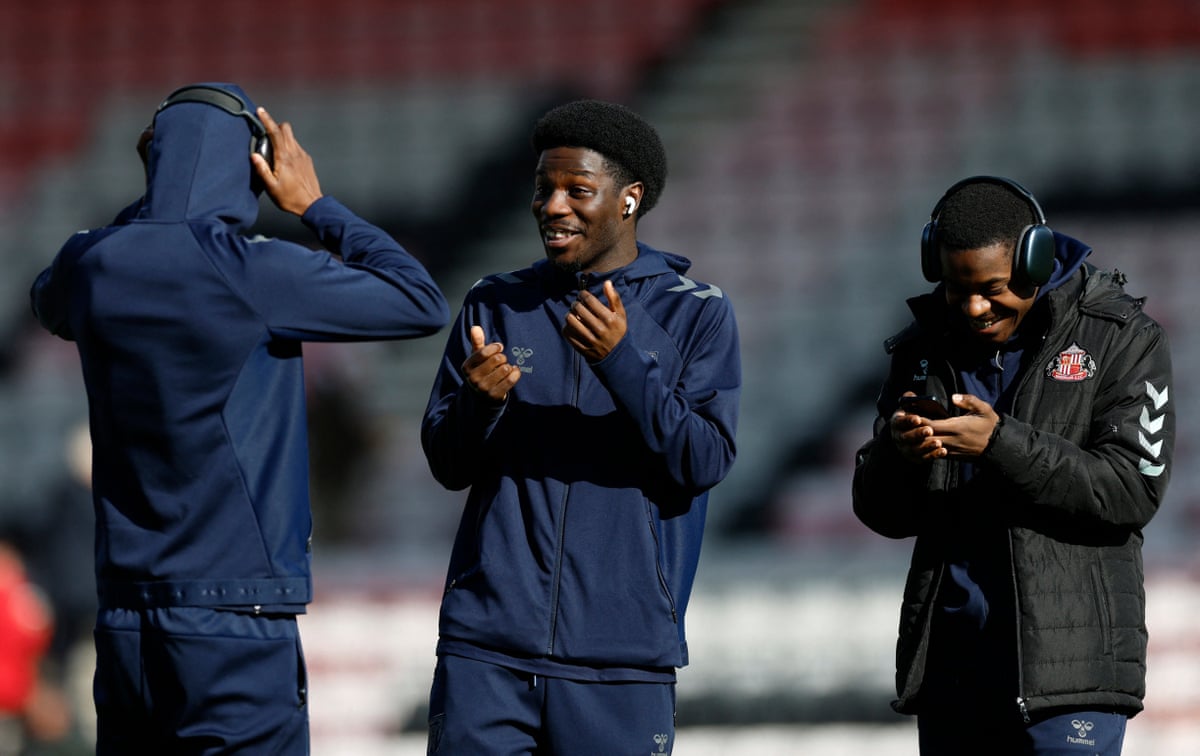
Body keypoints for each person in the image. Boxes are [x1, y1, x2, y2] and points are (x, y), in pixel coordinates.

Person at [29, 82, 450, 755]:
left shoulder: (94, 266)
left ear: (156, 159)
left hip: (127, 619)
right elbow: (419, 300)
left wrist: (157, 198)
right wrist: (315, 204)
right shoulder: (253, 270)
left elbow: (48, 298)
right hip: (233, 616)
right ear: (250, 163)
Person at [420, 99, 740, 754]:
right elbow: (449, 465)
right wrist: (478, 403)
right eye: (544, 189)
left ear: (629, 199)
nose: (553, 206)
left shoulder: (697, 314)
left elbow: (703, 461)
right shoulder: (494, 301)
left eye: (577, 190)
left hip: (621, 660)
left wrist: (621, 362)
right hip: (486, 653)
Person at [852, 175, 1174, 755]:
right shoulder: (921, 349)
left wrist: (999, 444)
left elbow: (1131, 490)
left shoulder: (1122, 339)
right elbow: (883, 513)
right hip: (952, 673)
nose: (974, 306)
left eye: (993, 288)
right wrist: (898, 457)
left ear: (1036, 261)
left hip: (1068, 681)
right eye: (957, 288)